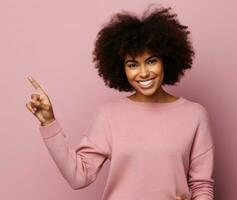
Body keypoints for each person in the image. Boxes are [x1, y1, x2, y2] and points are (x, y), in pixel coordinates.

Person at [25, 5, 215, 200]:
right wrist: (49, 122)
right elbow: (78, 177)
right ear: (121, 69)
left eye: (151, 61)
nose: (143, 73)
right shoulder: (108, 115)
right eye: (133, 64)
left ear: (165, 60)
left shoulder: (194, 115)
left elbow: (201, 186)